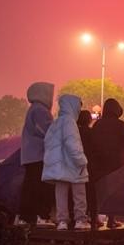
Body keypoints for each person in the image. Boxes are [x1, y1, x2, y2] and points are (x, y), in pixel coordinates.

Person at [42, 94, 91, 231]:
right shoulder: (70, 122)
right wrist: (81, 160)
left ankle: (62, 221)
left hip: (59, 166)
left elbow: (48, 143)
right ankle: (80, 220)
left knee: (61, 194)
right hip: (73, 165)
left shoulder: (56, 122)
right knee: (79, 194)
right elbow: (72, 143)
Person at [90, 98, 124, 228]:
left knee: (98, 192)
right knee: (113, 192)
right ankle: (111, 220)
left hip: (99, 164)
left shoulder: (97, 125)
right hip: (116, 165)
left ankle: (94, 219)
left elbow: (92, 143)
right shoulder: (121, 125)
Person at [18, 81, 55, 226]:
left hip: (30, 155)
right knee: (40, 187)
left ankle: (25, 217)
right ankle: (41, 216)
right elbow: (48, 131)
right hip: (38, 155)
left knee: (29, 187)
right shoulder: (40, 111)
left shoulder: (33, 109)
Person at [77, 110, 99, 228]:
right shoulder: (91, 133)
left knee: (78, 192)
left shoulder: (75, 133)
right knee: (91, 192)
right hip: (90, 165)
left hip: (76, 165)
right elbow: (96, 148)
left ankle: (79, 216)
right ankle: (93, 217)